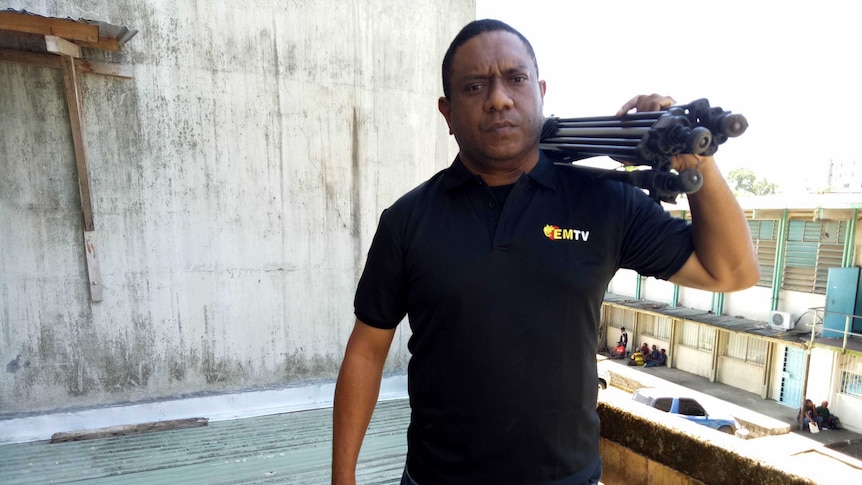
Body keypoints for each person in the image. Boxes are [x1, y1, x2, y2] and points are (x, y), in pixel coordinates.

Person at [332, 18, 759, 485]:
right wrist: (343, 476)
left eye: (515, 79)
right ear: (447, 112)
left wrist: (696, 159)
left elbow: (730, 273)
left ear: (541, 91)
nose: (499, 98)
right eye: (475, 86)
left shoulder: (603, 200)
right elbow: (367, 352)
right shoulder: (408, 220)